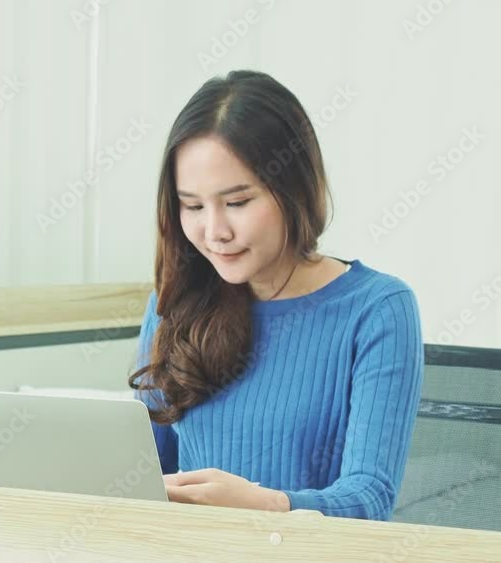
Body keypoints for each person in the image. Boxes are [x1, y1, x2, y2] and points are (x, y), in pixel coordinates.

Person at [130, 70, 424, 521]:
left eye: (237, 202)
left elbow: (370, 499)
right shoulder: (174, 301)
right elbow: (140, 476)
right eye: (192, 206)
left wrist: (266, 506)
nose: (214, 232)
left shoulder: (378, 310)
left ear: (294, 190)